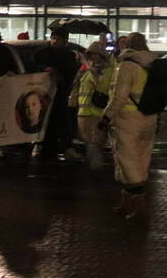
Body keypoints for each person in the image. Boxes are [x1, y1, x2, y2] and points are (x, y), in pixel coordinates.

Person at [100, 32, 158, 219]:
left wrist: (106, 117)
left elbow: (119, 96)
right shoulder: (153, 64)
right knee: (142, 157)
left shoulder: (126, 65)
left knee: (128, 160)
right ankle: (127, 203)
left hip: (128, 119)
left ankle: (135, 206)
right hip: (149, 117)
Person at [33, 27, 80, 159]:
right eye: (53, 38)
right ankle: (41, 145)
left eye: (58, 39)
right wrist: (44, 69)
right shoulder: (41, 53)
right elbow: (32, 68)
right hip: (43, 94)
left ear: (65, 41)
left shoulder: (69, 55)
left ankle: (66, 147)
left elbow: (72, 72)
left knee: (63, 121)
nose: (54, 41)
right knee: (44, 120)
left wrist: (62, 74)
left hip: (61, 94)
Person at [70, 42, 113, 170]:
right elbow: (77, 85)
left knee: (95, 142)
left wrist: (88, 67)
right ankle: (92, 166)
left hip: (96, 111)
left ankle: (95, 167)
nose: (93, 57)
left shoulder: (104, 69)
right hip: (83, 111)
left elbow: (100, 84)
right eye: (90, 54)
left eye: (95, 54)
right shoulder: (85, 68)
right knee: (88, 141)